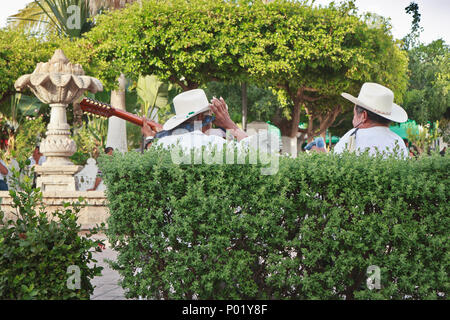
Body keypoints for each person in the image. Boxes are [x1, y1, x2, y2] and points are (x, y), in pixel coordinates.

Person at [141, 89, 277, 154]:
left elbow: (150, 148)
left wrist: (149, 137)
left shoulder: (162, 145)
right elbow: (262, 151)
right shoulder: (213, 144)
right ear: (201, 118)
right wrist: (229, 124)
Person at [332, 82, 409, 158]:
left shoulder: (350, 138)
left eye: (354, 114)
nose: (353, 119)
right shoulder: (398, 142)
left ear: (364, 116)